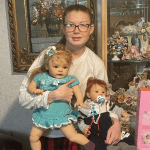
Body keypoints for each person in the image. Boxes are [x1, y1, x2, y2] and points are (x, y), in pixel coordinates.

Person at [19, 4, 122, 149]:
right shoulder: (48, 56)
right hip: (47, 137)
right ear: (63, 28)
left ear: (91, 29)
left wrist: (116, 122)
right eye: (70, 25)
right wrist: (51, 96)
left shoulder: (96, 64)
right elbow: (23, 99)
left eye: (83, 25)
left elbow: (103, 102)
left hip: (82, 135)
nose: (76, 31)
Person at [28, 44, 95, 150]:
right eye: (56, 67)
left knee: (72, 136)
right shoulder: (40, 77)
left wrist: (80, 100)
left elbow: (77, 90)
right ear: (47, 65)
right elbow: (30, 87)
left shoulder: (70, 79)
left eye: (64, 67)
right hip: (44, 114)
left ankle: (92, 146)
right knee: (33, 137)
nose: (60, 70)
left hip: (62, 114)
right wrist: (34, 90)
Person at [78, 77, 136, 150]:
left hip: (109, 129)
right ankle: (110, 147)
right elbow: (79, 119)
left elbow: (117, 109)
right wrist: (84, 128)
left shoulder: (107, 103)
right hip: (95, 133)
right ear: (89, 95)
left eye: (103, 92)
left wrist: (122, 113)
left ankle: (122, 146)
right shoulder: (85, 107)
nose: (100, 94)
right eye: (96, 92)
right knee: (94, 144)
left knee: (129, 138)